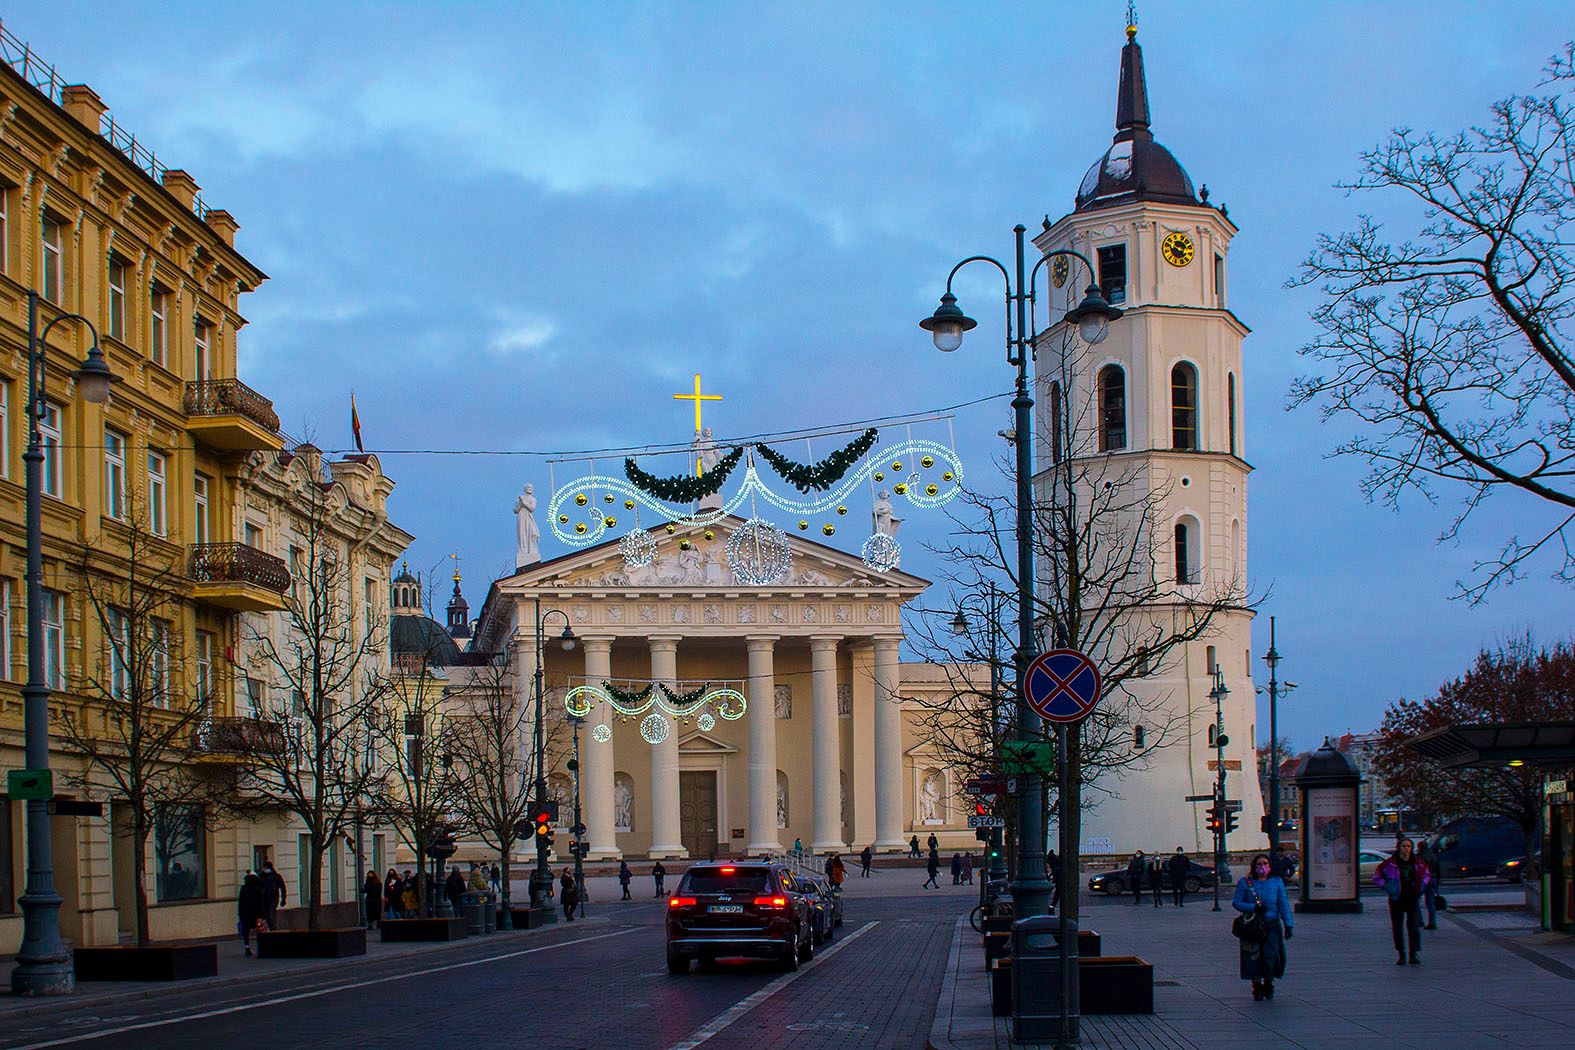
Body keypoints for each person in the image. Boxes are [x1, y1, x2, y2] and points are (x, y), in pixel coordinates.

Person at [1233, 853, 1293, 1001]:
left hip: (1271, 925)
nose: (1262, 867)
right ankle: (1256, 986)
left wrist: (1288, 924)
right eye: (1259, 864)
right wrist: (1253, 907)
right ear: (1254, 866)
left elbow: (1283, 904)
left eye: (1265, 864)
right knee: (1252, 957)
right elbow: (1236, 902)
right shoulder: (1245, 883)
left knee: (1270, 955)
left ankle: (1268, 982)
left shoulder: (1276, 882)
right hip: (1252, 926)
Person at [1375, 837, 1430, 965]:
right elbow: (1378, 877)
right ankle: (1401, 953)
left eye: (1409, 846)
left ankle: (1413, 953)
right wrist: (1388, 887)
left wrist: (1421, 887)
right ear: (1398, 847)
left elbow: (1426, 875)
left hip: (1412, 897)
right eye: (1404, 846)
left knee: (1413, 926)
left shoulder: (1418, 862)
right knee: (1397, 927)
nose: (1406, 849)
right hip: (1396, 898)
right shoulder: (1389, 863)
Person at [237, 870, 267, 957]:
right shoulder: (259, 888)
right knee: (260, 931)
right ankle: (261, 948)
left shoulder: (244, 888)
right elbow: (261, 902)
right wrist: (263, 915)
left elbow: (241, 902)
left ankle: (247, 947)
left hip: (245, 913)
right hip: (257, 913)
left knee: (246, 931)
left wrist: (240, 913)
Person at [1417, 839, 1441, 929]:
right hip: (1433, 879)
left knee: (1416, 899)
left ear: (1419, 847)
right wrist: (1437, 882)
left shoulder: (1419, 857)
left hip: (1423, 879)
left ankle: (1419, 921)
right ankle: (1432, 923)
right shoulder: (1434, 856)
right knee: (1430, 902)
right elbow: (1438, 869)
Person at [261, 861, 287, 928]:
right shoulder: (262, 876)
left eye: (266, 868)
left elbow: (282, 887)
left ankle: (273, 929)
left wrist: (283, 898)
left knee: (271, 915)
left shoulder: (276, 877)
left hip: (273, 899)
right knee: (266, 916)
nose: (265, 869)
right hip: (264, 899)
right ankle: (270, 929)